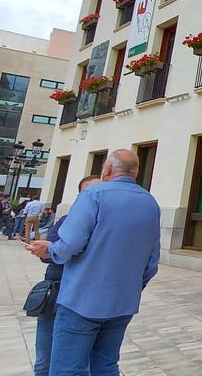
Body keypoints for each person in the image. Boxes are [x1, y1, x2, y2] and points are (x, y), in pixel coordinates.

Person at [26, 150, 160, 376]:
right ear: (136, 172)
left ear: (107, 169)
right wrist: (130, 288)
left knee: (68, 369)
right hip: (123, 304)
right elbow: (152, 262)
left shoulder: (94, 195)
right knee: (106, 366)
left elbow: (69, 244)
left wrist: (50, 250)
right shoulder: (150, 202)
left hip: (81, 300)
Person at [33, 175, 101, 376]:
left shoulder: (108, 226)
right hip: (56, 294)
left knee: (80, 363)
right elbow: (48, 256)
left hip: (84, 302)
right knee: (44, 360)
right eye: (87, 193)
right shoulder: (65, 221)